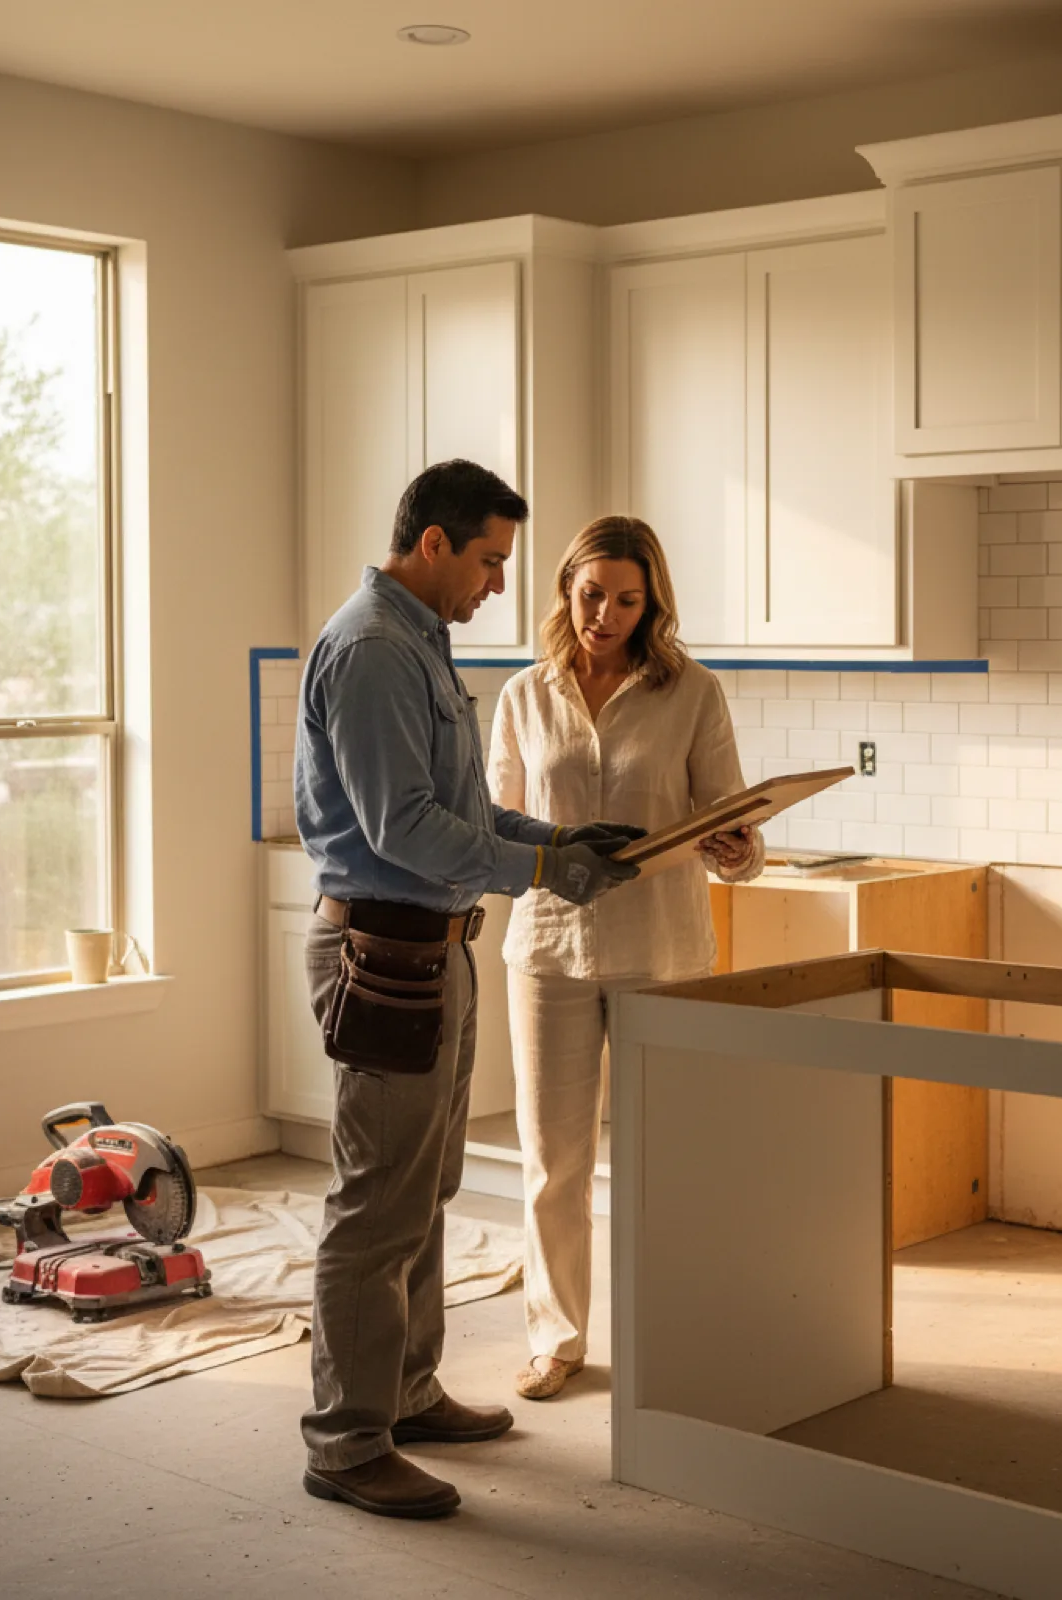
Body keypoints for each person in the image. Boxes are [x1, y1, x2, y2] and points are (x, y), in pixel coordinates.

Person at [293, 460, 644, 1520]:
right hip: (381, 951)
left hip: (433, 946)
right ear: (433, 544)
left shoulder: (422, 647)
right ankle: (346, 1442)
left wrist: (556, 837)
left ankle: (402, 1389)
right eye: (490, 559)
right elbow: (401, 828)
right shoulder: (369, 650)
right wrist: (546, 870)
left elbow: (466, 809)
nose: (500, 582)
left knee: (426, 1187)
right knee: (376, 1202)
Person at [488, 515, 763, 1402]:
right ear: (567, 589)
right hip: (547, 953)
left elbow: (737, 827)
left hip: (664, 951)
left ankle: (666, 1333)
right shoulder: (523, 696)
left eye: (628, 599)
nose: (606, 613)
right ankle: (556, 1339)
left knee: (666, 1157)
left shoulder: (693, 693)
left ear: (654, 605)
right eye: (592, 593)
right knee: (554, 1164)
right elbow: (497, 823)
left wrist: (737, 849)